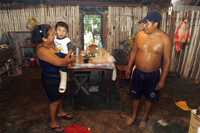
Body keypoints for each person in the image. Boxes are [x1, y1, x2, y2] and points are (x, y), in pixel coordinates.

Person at [126, 10, 172, 128]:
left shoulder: (165, 39)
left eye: (147, 23)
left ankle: (145, 118)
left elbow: (167, 61)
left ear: (156, 24)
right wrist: (129, 67)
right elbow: (133, 52)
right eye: (144, 23)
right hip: (138, 73)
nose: (144, 26)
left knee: (149, 98)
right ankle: (134, 116)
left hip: (153, 75)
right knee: (135, 96)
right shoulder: (140, 35)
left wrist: (162, 80)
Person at [31, 24, 75, 132]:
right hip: (50, 78)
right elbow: (60, 62)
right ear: (44, 38)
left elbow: (59, 55)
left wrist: (67, 54)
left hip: (57, 75)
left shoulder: (50, 44)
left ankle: (60, 112)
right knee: (54, 101)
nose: (54, 34)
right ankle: (53, 123)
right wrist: (70, 57)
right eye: (51, 34)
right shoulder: (41, 50)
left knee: (60, 96)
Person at [54, 21, 73, 93]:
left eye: (64, 31)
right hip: (56, 54)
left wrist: (67, 57)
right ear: (55, 31)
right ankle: (57, 81)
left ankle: (63, 81)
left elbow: (71, 49)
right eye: (59, 30)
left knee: (63, 68)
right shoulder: (54, 38)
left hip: (65, 54)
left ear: (67, 33)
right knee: (55, 69)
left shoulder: (67, 40)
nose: (61, 32)